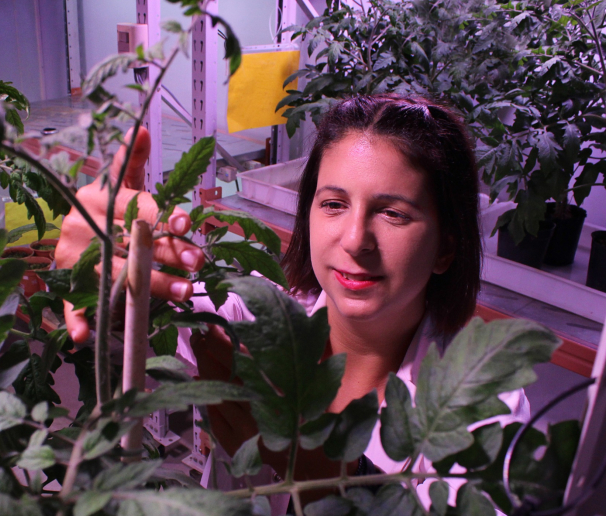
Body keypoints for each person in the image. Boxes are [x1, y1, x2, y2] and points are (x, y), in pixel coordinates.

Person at [53, 94, 528, 492]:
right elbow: (136, 324)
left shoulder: (483, 399)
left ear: (446, 247)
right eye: (334, 205)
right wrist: (106, 277)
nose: (355, 238)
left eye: (394, 213)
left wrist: (322, 470)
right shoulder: (256, 318)